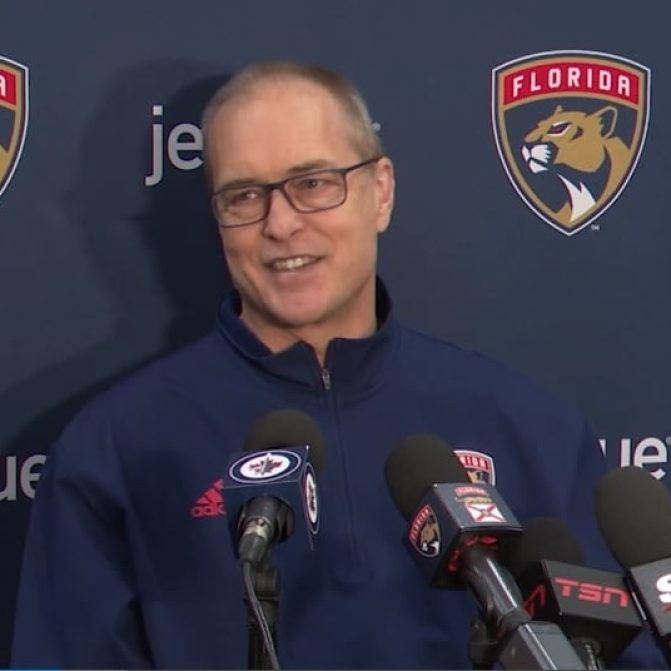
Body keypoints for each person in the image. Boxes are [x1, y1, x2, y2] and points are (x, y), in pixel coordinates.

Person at [10, 61, 660, 669]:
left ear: (380, 192)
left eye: (313, 183)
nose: (281, 224)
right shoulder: (116, 447)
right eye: (244, 195)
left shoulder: (528, 428)